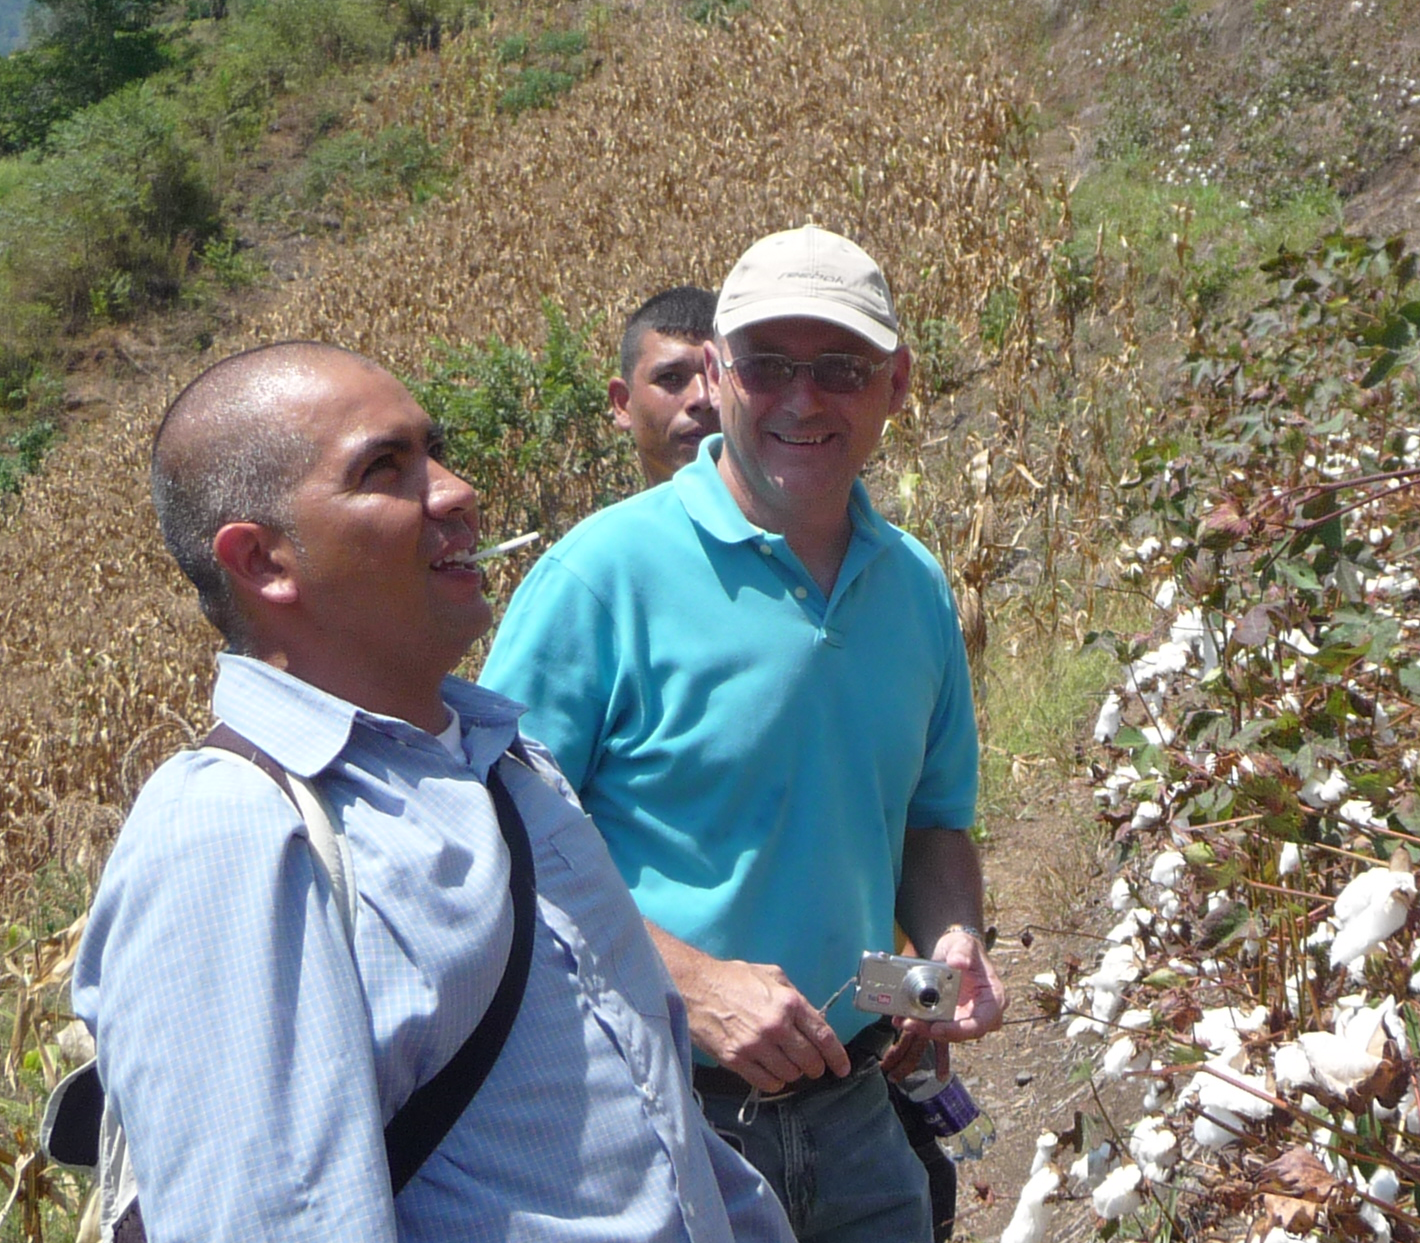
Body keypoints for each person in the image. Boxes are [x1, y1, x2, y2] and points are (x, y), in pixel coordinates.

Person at [74, 341, 791, 1243]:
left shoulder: (504, 754)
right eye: (385, 470)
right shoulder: (234, 834)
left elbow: (646, 1119)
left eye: (435, 452)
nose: (455, 493)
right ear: (263, 563)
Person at [485, 228, 1004, 1243]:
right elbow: (493, 843)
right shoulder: (601, 578)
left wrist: (950, 942)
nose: (803, 402)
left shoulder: (915, 587)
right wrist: (692, 982)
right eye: (768, 366)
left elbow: (932, 825)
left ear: (896, 384)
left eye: (841, 369)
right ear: (721, 375)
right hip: (654, 1116)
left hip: (860, 1121)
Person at [614, 285, 722, 483]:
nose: (702, 397)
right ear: (622, 403)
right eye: (671, 378)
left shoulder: (794, 514)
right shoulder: (617, 516)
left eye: (718, 375)